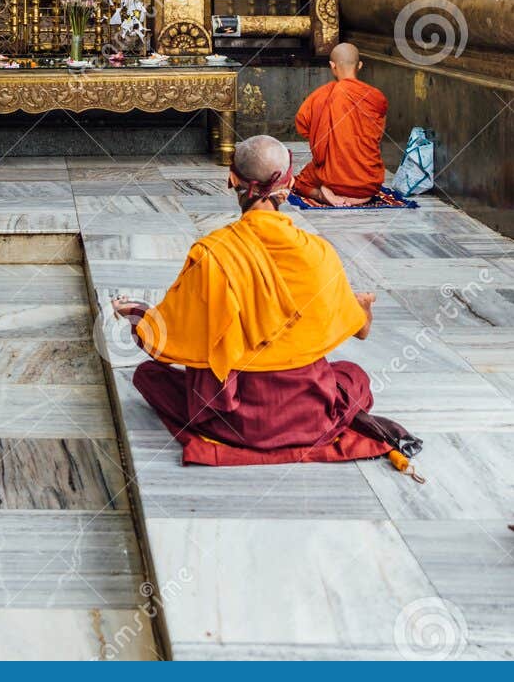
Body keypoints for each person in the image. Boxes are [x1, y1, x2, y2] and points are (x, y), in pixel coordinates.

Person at [112, 135, 414, 467]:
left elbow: (165, 337)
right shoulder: (318, 253)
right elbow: (358, 330)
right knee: (353, 376)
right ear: (290, 185)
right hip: (309, 416)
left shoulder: (213, 253)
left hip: (234, 421)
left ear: (231, 180)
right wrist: (362, 312)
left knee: (148, 376)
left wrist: (137, 313)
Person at [294, 41, 388, 205]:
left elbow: (302, 125)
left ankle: (323, 196)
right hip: (369, 183)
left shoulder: (322, 95)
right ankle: (360, 197)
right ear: (359, 65)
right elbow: (378, 136)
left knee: (300, 182)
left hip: (332, 180)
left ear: (332, 66)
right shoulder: (375, 96)